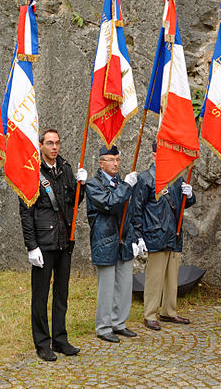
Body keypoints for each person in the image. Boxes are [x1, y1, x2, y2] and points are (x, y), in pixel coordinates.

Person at [19, 128, 87, 361]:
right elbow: (26, 212)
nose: (54, 147)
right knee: (40, 296)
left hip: (63, 241)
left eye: (57, 142)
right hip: (43, 243)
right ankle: (42, 343)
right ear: (40, 145)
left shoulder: (66, 169)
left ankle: (60, 338)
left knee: (61, 293)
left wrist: (82, 186)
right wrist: (31, 246)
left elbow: (73, 202)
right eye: (49, 143)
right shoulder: (32, 172)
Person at [130, 140, 195, 331]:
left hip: (174, 234)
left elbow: (184, 204)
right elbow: (137, 209)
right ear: (153, 155)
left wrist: (190, 196)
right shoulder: (145, 178)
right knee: (154, 278)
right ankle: (150, 314)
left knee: (172, 277)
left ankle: (169, 311)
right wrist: (138, 235)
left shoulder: (177, 177)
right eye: (160, 153)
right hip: (155, 234)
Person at [85, 144, 140, 343]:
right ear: (101, 163)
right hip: (105, 239)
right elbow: (109, 203)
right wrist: (127, 186)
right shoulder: (93, 184)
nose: (116, 164)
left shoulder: (121, 183)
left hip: (124, 240)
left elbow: (131, 212)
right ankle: (103, 326)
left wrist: (135, 237)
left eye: (118, 160)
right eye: (111, 160)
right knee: (107, 287)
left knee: (124, 285)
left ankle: (119, 323)